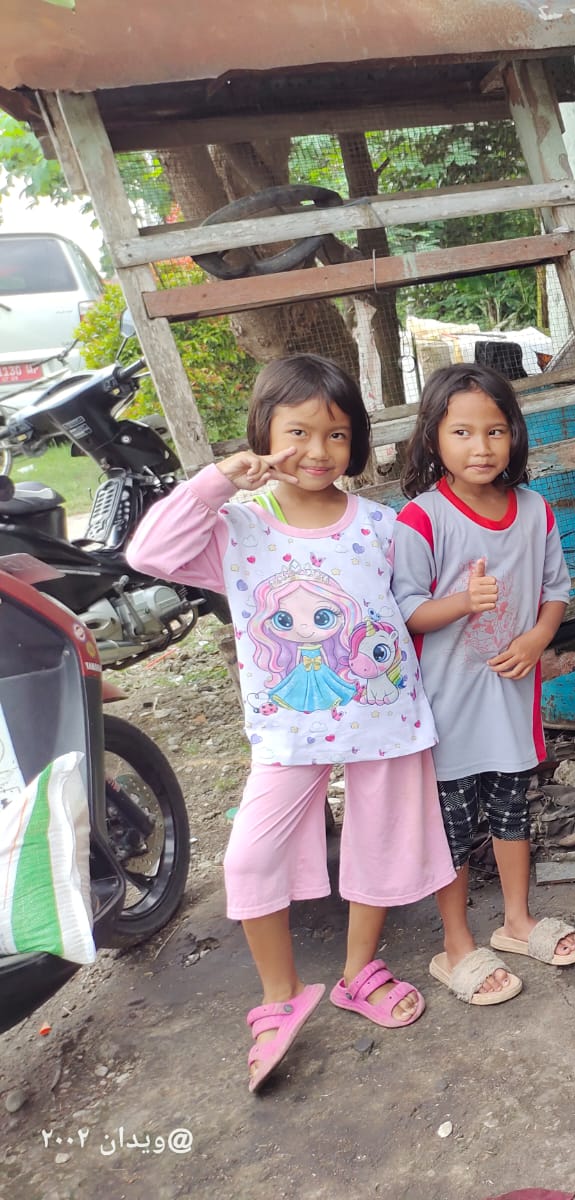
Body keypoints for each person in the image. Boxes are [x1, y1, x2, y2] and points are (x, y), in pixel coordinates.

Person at [128, 355, 456, 1093]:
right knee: (248, 861)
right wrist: (218, 480)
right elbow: (147, 552)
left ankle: (356, 971)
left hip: (385, 721)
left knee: (377, 849)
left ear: (356, 442)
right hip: (289, 735)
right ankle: (278, 1001)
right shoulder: (238, 528)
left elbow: (408, 609)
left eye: (336, 435)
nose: (317, 451)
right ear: (262, 435)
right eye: (298, 432)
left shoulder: (381, 526)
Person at [391, 364, 575, 1007]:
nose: (482, 447)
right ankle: (455, 947)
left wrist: (536, 638)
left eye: (496, 431)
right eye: (464, 432)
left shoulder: (535, 511)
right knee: (449, 834)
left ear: (514, 437)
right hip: (443, 716)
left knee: (512, 815)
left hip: (507, 708)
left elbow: (556, 591)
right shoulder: (421, 520)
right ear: (433, 439)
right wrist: (462, 601)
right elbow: (405, 613)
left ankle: (516, 921)